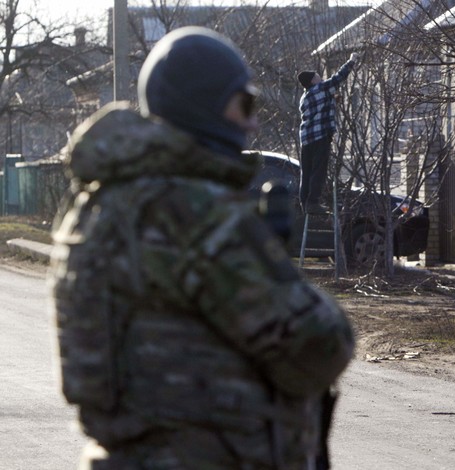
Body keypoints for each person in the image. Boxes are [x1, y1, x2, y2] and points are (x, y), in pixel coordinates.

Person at [49, 26, 355, 469]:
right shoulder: (192, 210)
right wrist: (276, 266)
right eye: (244, 103)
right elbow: (320, 348)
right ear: (205, 106)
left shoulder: (93, 207)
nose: (252, 122)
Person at [296, 52, 359, 213]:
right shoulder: (321, 88)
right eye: (318, 77)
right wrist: (351, 60)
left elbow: (321, 105)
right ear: (312, 81)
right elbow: (339, 77)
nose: (321, 79)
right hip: (320, 136)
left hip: (306, 139)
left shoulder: (305, 96)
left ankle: (305, 203)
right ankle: (313, 202)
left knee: (307, 172)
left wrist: (332, 99)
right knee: (319, 170)